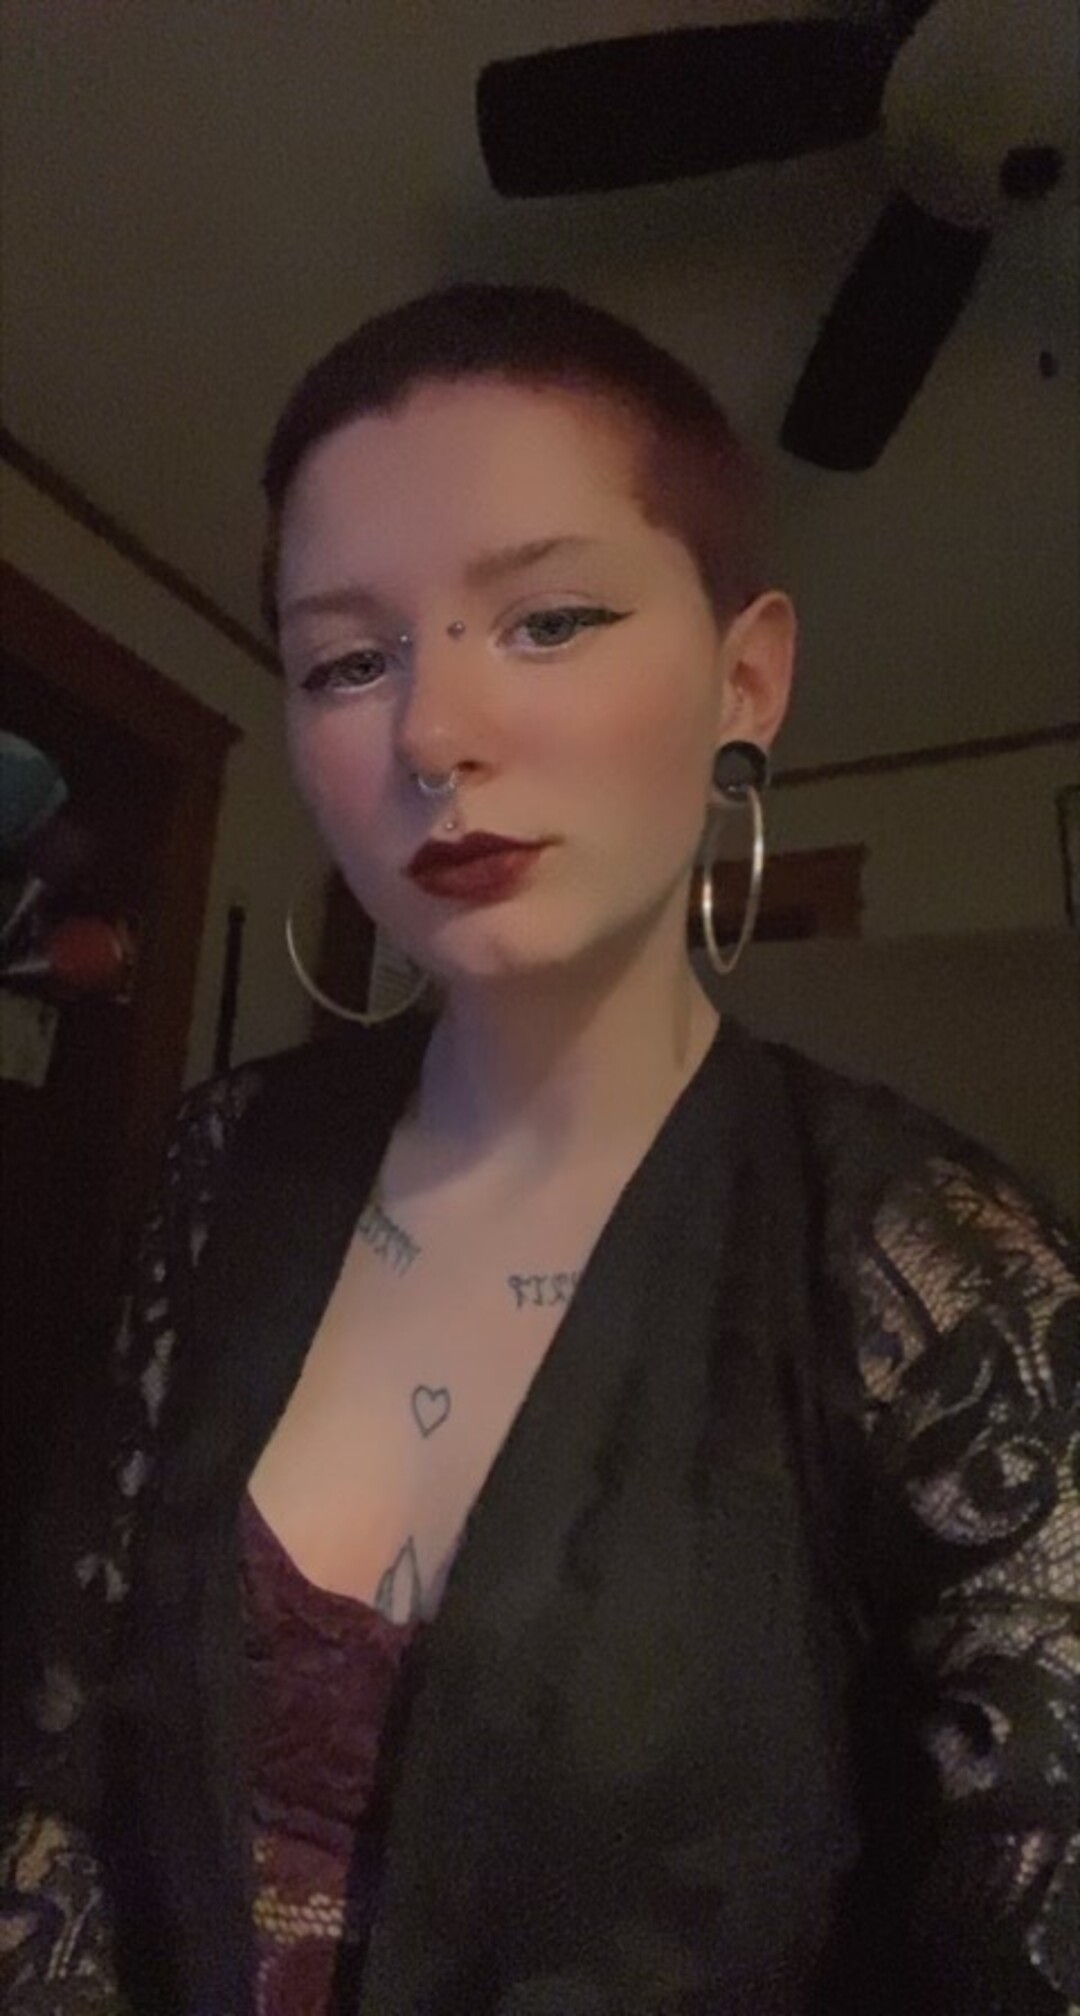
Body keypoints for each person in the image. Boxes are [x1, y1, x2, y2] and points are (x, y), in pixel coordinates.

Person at [1, 283, 1077, 2016]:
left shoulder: (944, 1291)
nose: (432, 736)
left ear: (746, 677)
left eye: (551, 619)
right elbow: (57, 1775)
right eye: (347, 661)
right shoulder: (222, 1166)